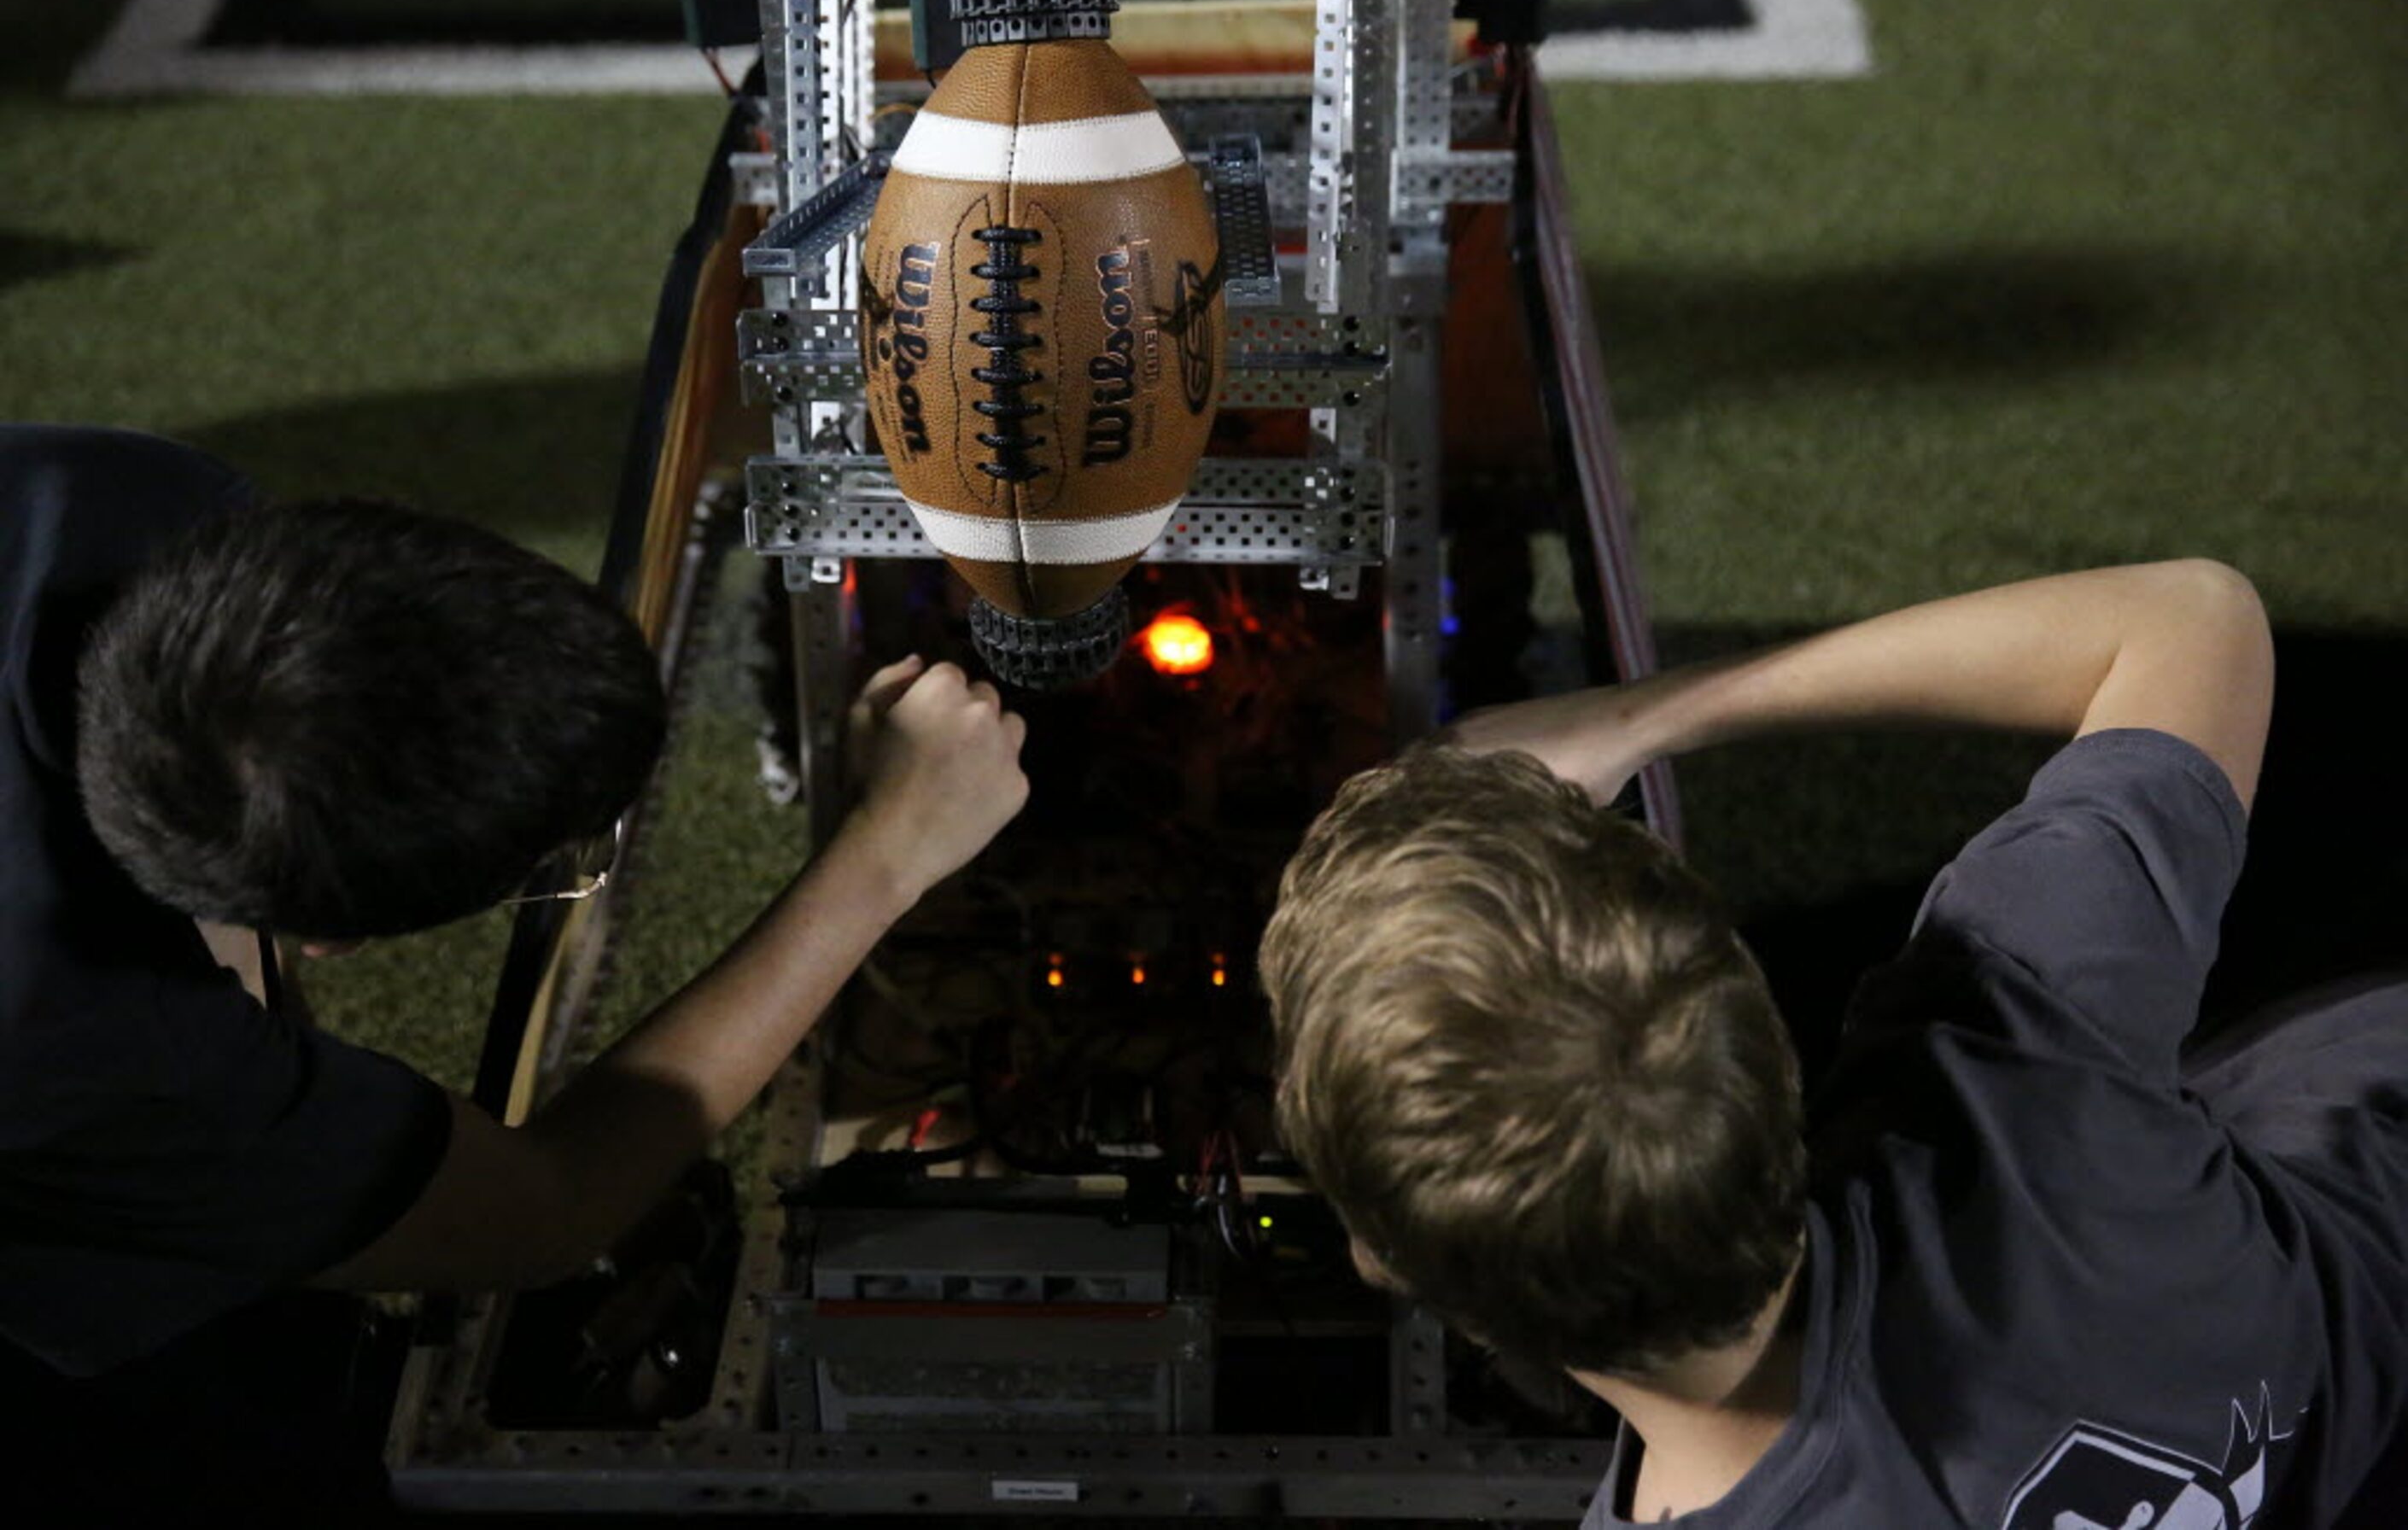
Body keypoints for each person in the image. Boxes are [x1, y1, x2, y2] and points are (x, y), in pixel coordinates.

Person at [1, 424, 1028, 1515]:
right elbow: (548, 1210)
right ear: (328, 936)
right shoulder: (111, 1060)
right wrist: (887, 855)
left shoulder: (110, 499)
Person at [1262, 560, 2408, 1527]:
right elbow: (2192, 619)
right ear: (1765, 1051)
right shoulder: (2017, 1085)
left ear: (1393, 1265)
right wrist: (1636, 721)